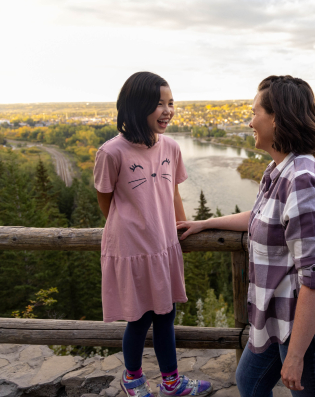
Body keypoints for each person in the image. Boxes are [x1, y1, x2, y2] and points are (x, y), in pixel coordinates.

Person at [178, 75, 315, 396]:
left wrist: (296, 356)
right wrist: (206, 223)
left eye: (254, 113)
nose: (249, 122)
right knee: (249, 383)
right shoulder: (278, 170)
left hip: (312, 332)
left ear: (277, 119)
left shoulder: (302, 181)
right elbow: (263, 217)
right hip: (278, 319)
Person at [93, 71, 213, 397]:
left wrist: (183, 226)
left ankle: (171, 382)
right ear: (137, 106)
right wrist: (132, 226)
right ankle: (132, 379)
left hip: (164, 245)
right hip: (132, 249)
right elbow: (106, 200)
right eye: (159, 103)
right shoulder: (111, 152)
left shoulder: (171, 147)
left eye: (171, 103)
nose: (167, 110)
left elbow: (173, 193)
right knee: (139, 318)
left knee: (166, 315)